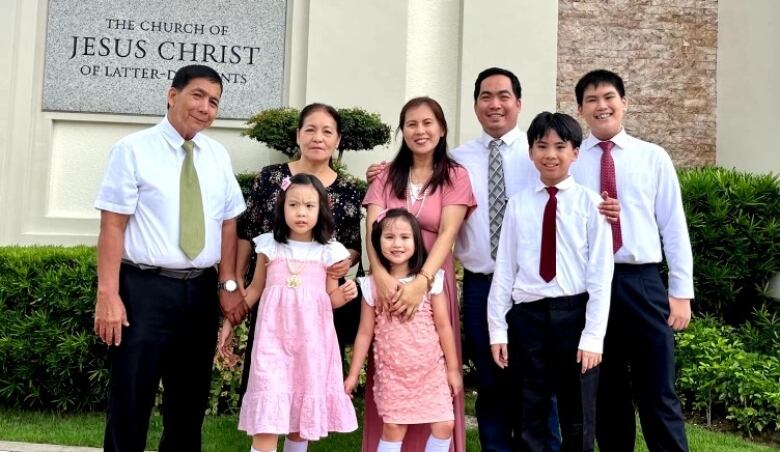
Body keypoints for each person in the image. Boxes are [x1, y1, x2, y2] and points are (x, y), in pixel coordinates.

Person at [93, 64, 248, 451]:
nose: (205, 108)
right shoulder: (132, 150)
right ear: (172, 94)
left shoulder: (217, 156)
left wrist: (228, 282)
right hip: (143, 290)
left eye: (214, 101)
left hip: (198, 293)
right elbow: (112, 227)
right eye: (198, 95)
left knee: (189, 405)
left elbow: (228, 223)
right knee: (131, 398)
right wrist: (108, 295)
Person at [571, 69, 694, 452]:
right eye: (591, 100)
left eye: (608, 97)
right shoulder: (571, 160)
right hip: (592, 285)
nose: (601, 106)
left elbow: (673, 226)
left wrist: (680, 291)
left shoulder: (652, 157)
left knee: (658, 388)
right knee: (607, 393)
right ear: (580, 109)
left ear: (624, 102)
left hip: (641, 282)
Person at [488, 112, 613, 452]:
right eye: (542, 146)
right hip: (528, 318)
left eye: (560, 146)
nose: (551, 154)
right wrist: (498, 329)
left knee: (578, 412)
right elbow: (504, 271)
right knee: (529, 409)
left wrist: (593, 337)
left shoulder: (592, 204)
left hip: (574, 315)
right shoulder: (519, 204)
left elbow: (601, 275)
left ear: (575, 152)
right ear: (531, 152)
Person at [363, 96, 476, 452]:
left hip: (433, 287)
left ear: (442, 129)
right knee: (392, 373)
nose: (420, 130)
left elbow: (447, 234)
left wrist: (422, 284)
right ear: (402, 131)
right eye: (411, 124)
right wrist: (379, 276)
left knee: (435, 377)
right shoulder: (385, 176)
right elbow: (372, 228)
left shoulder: (455, 176)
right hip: (387, 284)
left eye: (428, 123)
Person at [234, 103, 364, 398]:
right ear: (298, 135)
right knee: (270, 380)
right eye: (311, 129)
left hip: (317, 300)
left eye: (327, 131)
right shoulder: (270, 179)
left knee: (309, 384)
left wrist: (345, 263)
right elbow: (247, 232)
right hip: (273, 296)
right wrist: (237, 279)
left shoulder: (347, 190)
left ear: (338, 140)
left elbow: (351, 244)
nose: (318, 137)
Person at [227, 173, 359, 452]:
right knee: (267, 424)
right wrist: (230, 320)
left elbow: (330, 297)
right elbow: (254, 289)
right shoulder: (268, 246)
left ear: (321, 210)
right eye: (294, 205)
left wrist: (344, 295)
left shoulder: (330, 251)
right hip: (272, 343)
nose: (301, 212)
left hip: (311, 346)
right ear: (282, 207)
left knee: (300, 426)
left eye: (309, 206)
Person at [345, 208, 463, 452]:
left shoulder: (431, 281)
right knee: (394, 428)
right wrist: (354, 374)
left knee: (444, 425)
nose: (397, 244)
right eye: (389, 237)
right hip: (393, 375)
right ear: (377, 242)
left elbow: (443, 326)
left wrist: (453, 370)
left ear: (416, 241)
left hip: (431, 372)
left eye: (404, 237)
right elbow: (365, 333)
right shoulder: (371, 286)